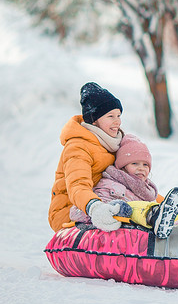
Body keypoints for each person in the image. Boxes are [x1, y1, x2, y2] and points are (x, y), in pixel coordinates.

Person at [49, 82, 133, 233]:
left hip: (105, 202)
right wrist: (94, 206)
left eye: (119, 115)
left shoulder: (113, 144)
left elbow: (131, 181)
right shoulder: (78, 146)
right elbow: (78, 184)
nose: (117, 122)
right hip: (71, 210)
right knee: (124, 211)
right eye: (110, 116)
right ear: (94, 120)